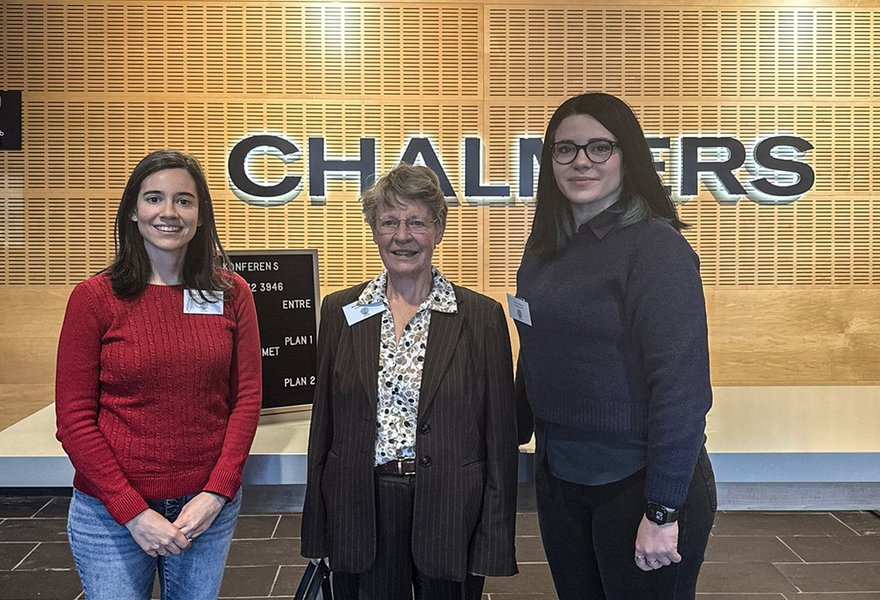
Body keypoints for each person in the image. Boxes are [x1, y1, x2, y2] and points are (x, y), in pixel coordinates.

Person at [513, 93, 717, 599]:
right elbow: (537, 351)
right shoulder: (544, 250)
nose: (581, 161)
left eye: (599, 147)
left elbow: (681, 387)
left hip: (640, 483)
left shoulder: (656, 248)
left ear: (628, 156)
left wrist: (663, 510)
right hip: (562, 477)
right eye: (566, 150)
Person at [301, 163, 519, 600]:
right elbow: (322, 428)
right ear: (374, 230)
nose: (402, 236)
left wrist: (493, 540)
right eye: (389, 222)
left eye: (416, 222)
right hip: (359, 506)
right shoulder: (340, 311)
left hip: (450, 509)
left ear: (438, 229)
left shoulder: (479, 317)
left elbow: (499, 440)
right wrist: (317, 531)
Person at [55, 150, 263, 600]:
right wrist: (132, 512)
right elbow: (73, 420)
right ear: (133, 210)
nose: (169, 213)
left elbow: (246, 400)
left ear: (201, 215)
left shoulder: (232, 293)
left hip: (204, 510)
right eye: (154, 199)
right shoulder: (94, 298)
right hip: (110, 514)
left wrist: (217, 492)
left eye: (184, 201)